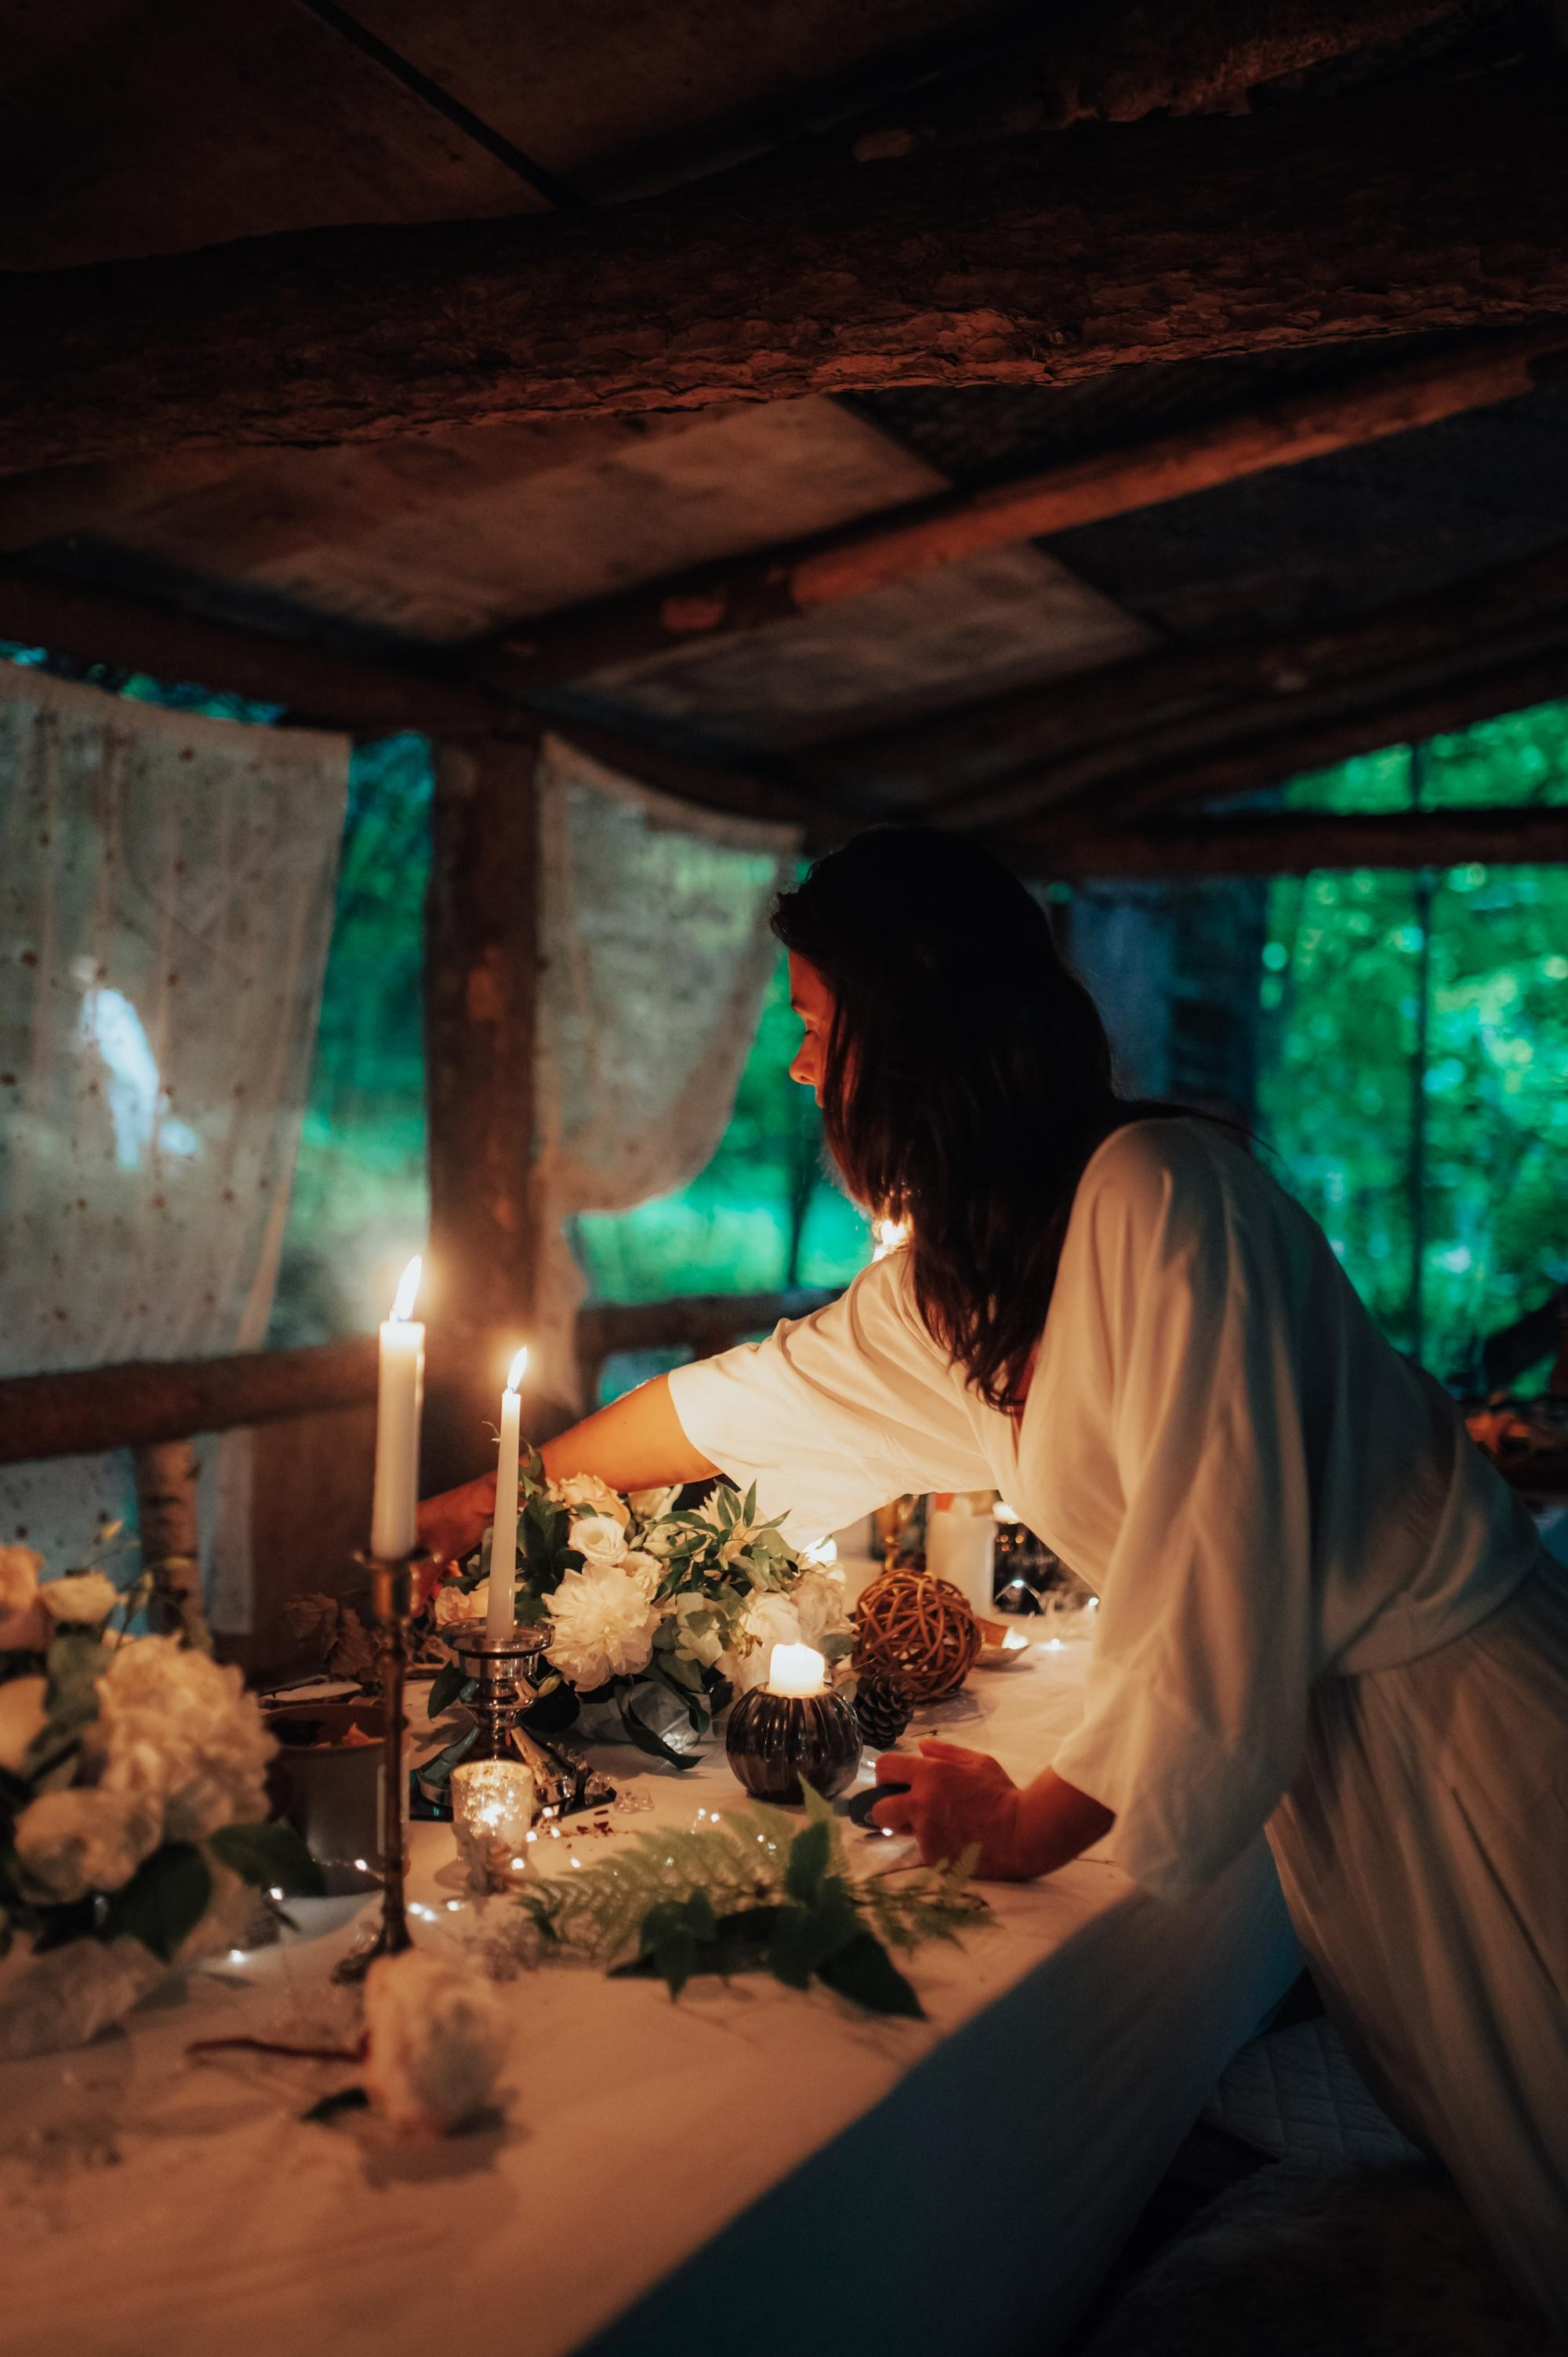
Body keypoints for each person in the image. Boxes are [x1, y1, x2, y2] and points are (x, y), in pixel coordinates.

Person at [419, 826, 1567, 2321]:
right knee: (1505, 2143)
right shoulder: (944, 1290)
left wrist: (1031, 1823)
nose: (795, 1069)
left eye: (814, 1029)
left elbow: (1215, 1550)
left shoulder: (1165, 1192)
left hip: (1468, 1729)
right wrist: (509, 1492)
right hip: (1352, 1769)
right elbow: (746, 1398)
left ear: (909, 1036)